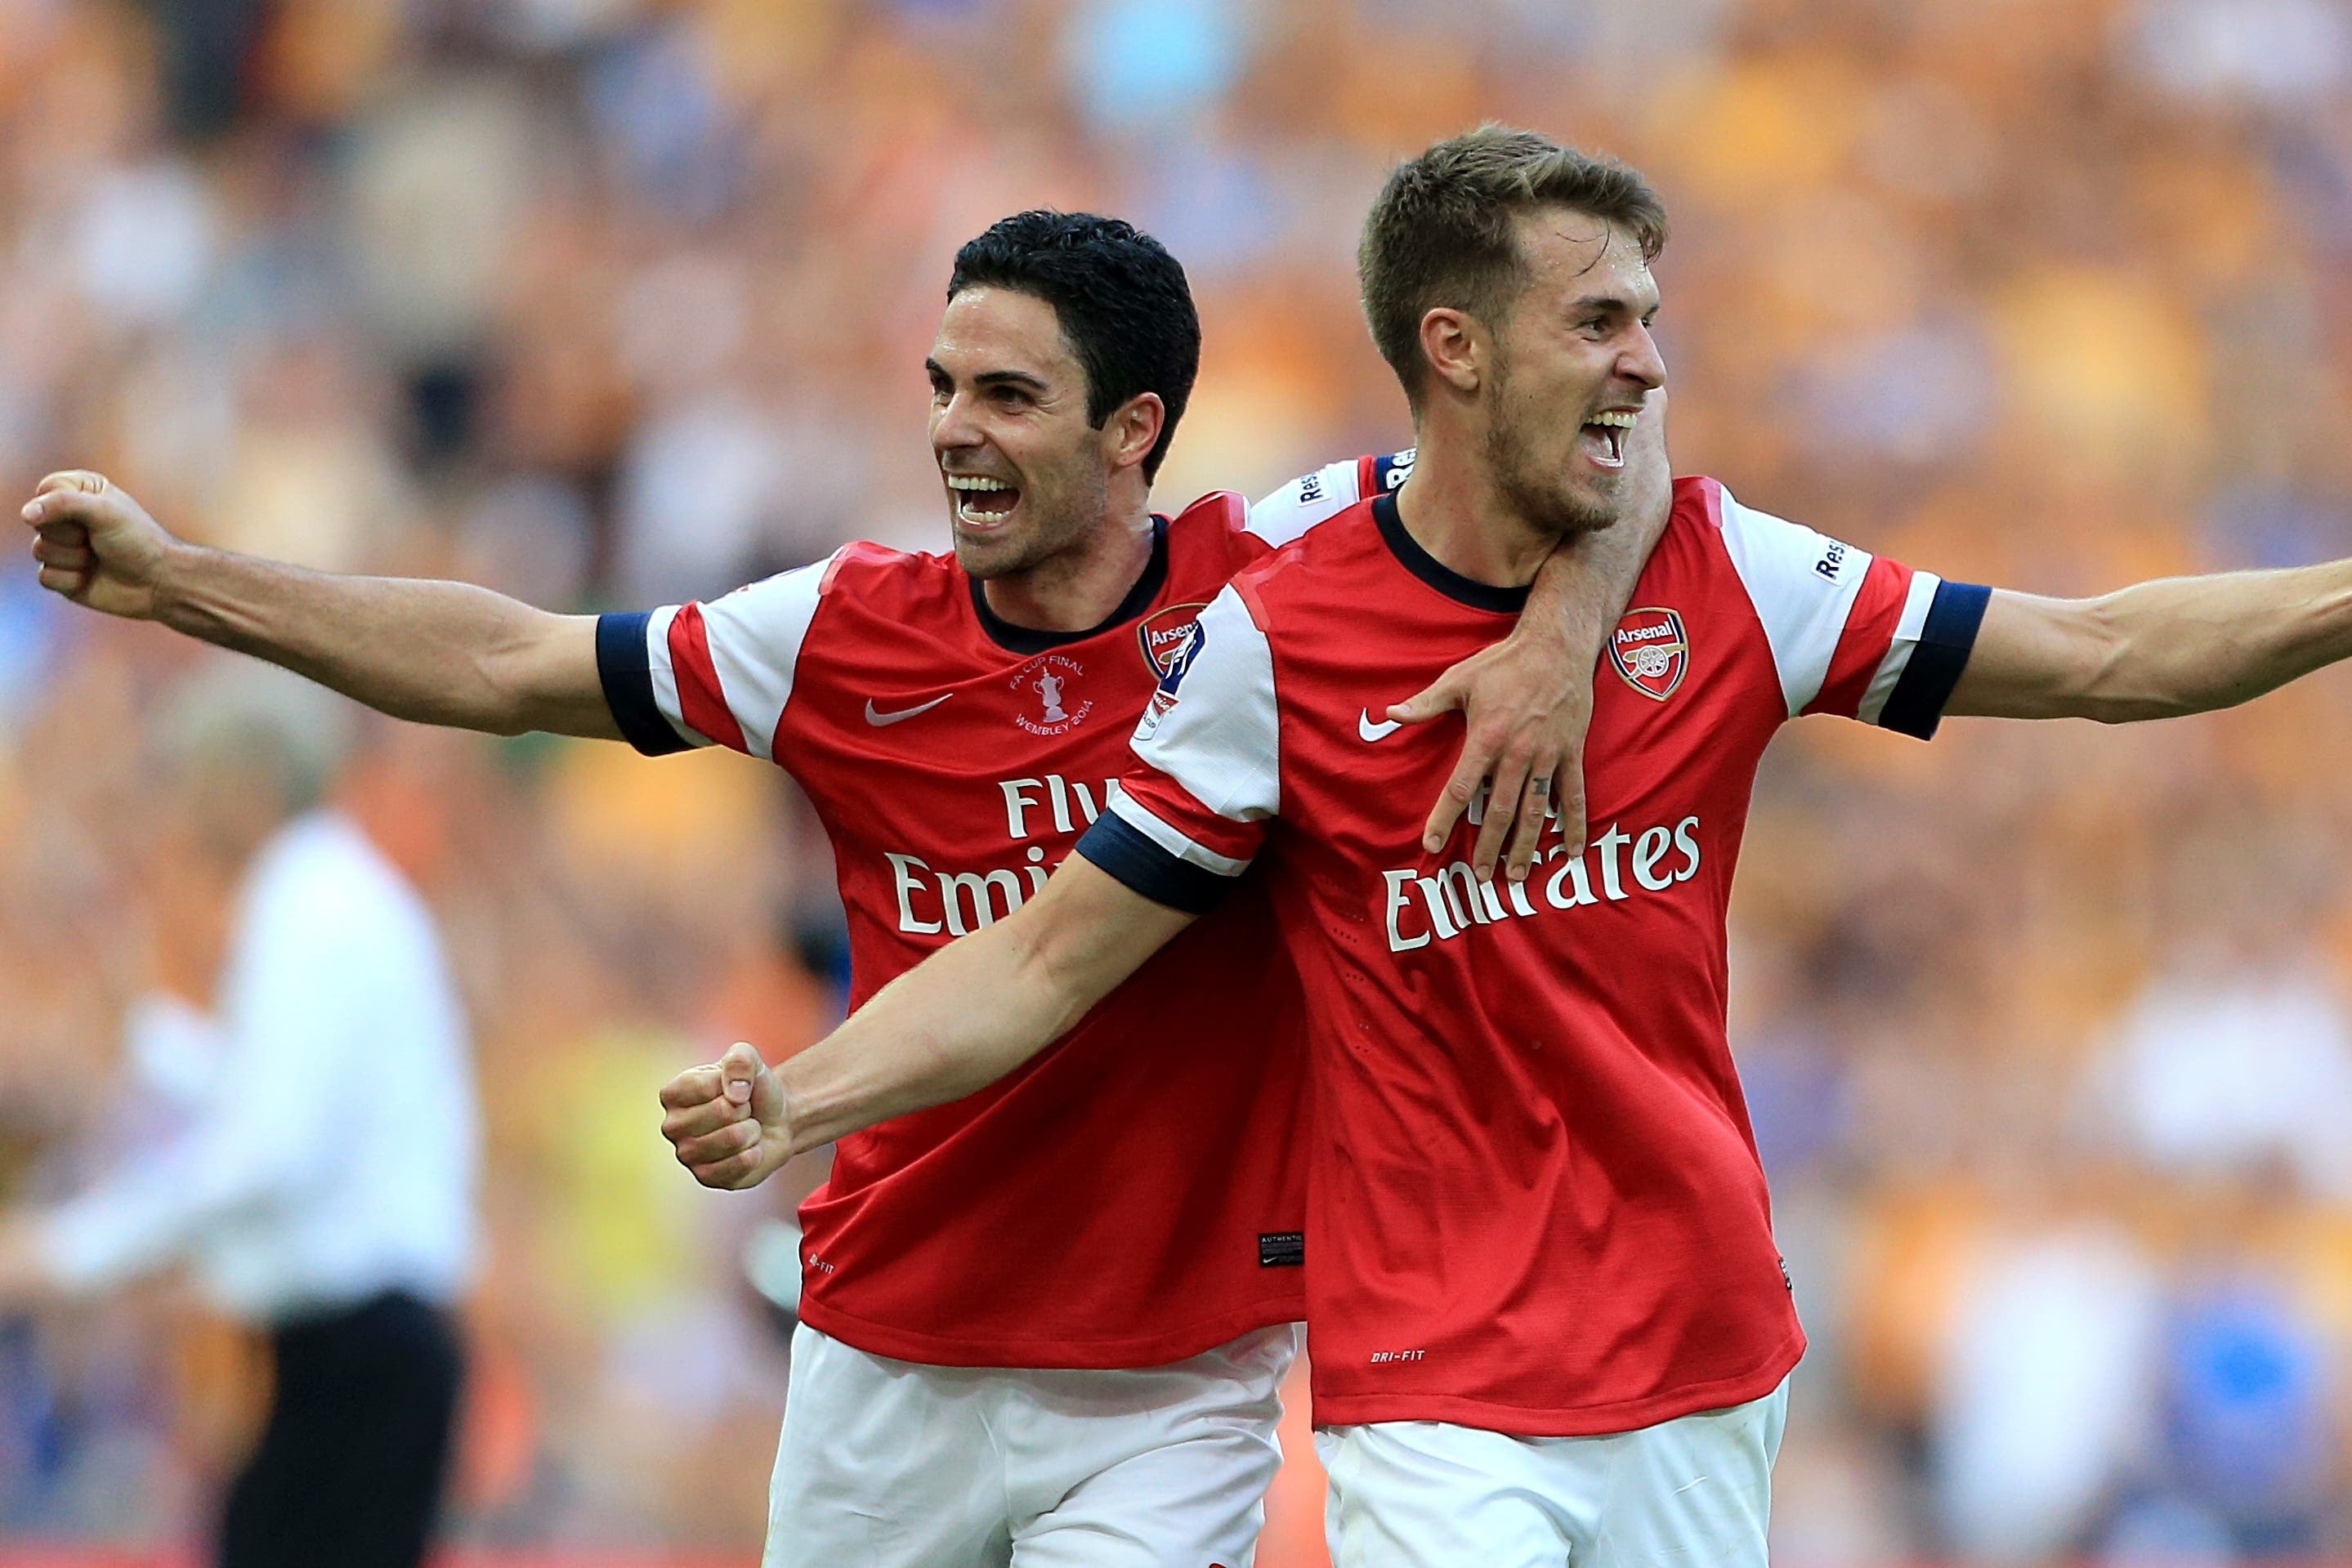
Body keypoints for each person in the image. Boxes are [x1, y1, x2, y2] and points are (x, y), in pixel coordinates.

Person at [649, 127, 2352, 1568]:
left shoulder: (1725, 571)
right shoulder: (1271, 641)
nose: (1647, 359)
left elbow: (2108, 655)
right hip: (1428, 1372)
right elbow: (1044, 952)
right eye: (1598, 320)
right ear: (1454, 347)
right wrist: (809, 1094)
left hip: (1697, 1342)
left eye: (1648, 320)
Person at [17, 210, 1669, 1566]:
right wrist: (179, 582)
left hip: (1171, 1376)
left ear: (1133, 429)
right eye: (943, 382)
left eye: (1010, 394)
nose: (953, 423)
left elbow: (1604, 442)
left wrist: (1561, 632)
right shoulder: (841, 626)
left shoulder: (1288, 576)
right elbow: (512, 660)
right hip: (886, 1350)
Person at [0, 659, 477, 1568]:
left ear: (248, 785)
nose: (181, 808)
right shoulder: (336, 894)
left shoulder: (306, 903)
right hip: (359, 1352)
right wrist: (145, 1041)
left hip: (357, 1356)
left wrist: (69, 1251)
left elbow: (271, 1150)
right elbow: (292, 1110)